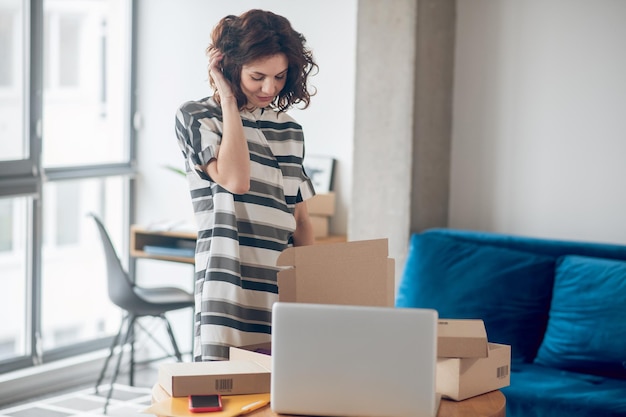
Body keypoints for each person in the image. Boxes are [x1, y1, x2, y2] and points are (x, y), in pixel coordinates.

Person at [174, 9, 318, 361]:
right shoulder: (196, 117)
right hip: (228, 283)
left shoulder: (290, 130)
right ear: (229, 67)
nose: (269, 88)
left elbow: (299, 221)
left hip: (282, 285)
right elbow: (236, 180)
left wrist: (314, 287)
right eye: (257, 76)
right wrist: (227, 100)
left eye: (280, 77)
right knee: (223, 401)